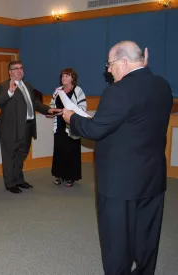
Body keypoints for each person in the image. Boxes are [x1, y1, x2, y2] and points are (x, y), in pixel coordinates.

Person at [62, 41, 172, 275]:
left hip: (119, 183)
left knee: (116, 241)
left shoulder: (118, 91)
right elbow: (133, 123)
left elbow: (94, 131)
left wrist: (71, 117)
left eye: (110, 64)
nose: (108, 70)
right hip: (152, 176)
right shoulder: (162, 85)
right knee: (147, 235)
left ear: (123, 62)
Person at [0, 61, 61, 194]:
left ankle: (19, 180)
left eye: (21, 68)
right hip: (11, 129)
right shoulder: (3, 86)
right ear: (10, 72)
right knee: (10, 157)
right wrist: (10, 92)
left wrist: (49, 110)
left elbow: (36, 103)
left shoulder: (28, 86)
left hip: (27, 127)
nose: (19, 71)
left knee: (21, 156)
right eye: (15, 69)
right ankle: (10, 184)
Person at [49, 68, 86, 187]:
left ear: (73, 78)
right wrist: (54, 111)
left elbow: (83, 107)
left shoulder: (78, 90)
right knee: (59, 150)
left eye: (67, 76)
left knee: (71, 150)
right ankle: (59, 175)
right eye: (62, 76)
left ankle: (71, 177)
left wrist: (70, 111)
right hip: (59, 124)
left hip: (72, 124)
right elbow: (51, 105)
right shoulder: (57, 91)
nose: (64, 78)